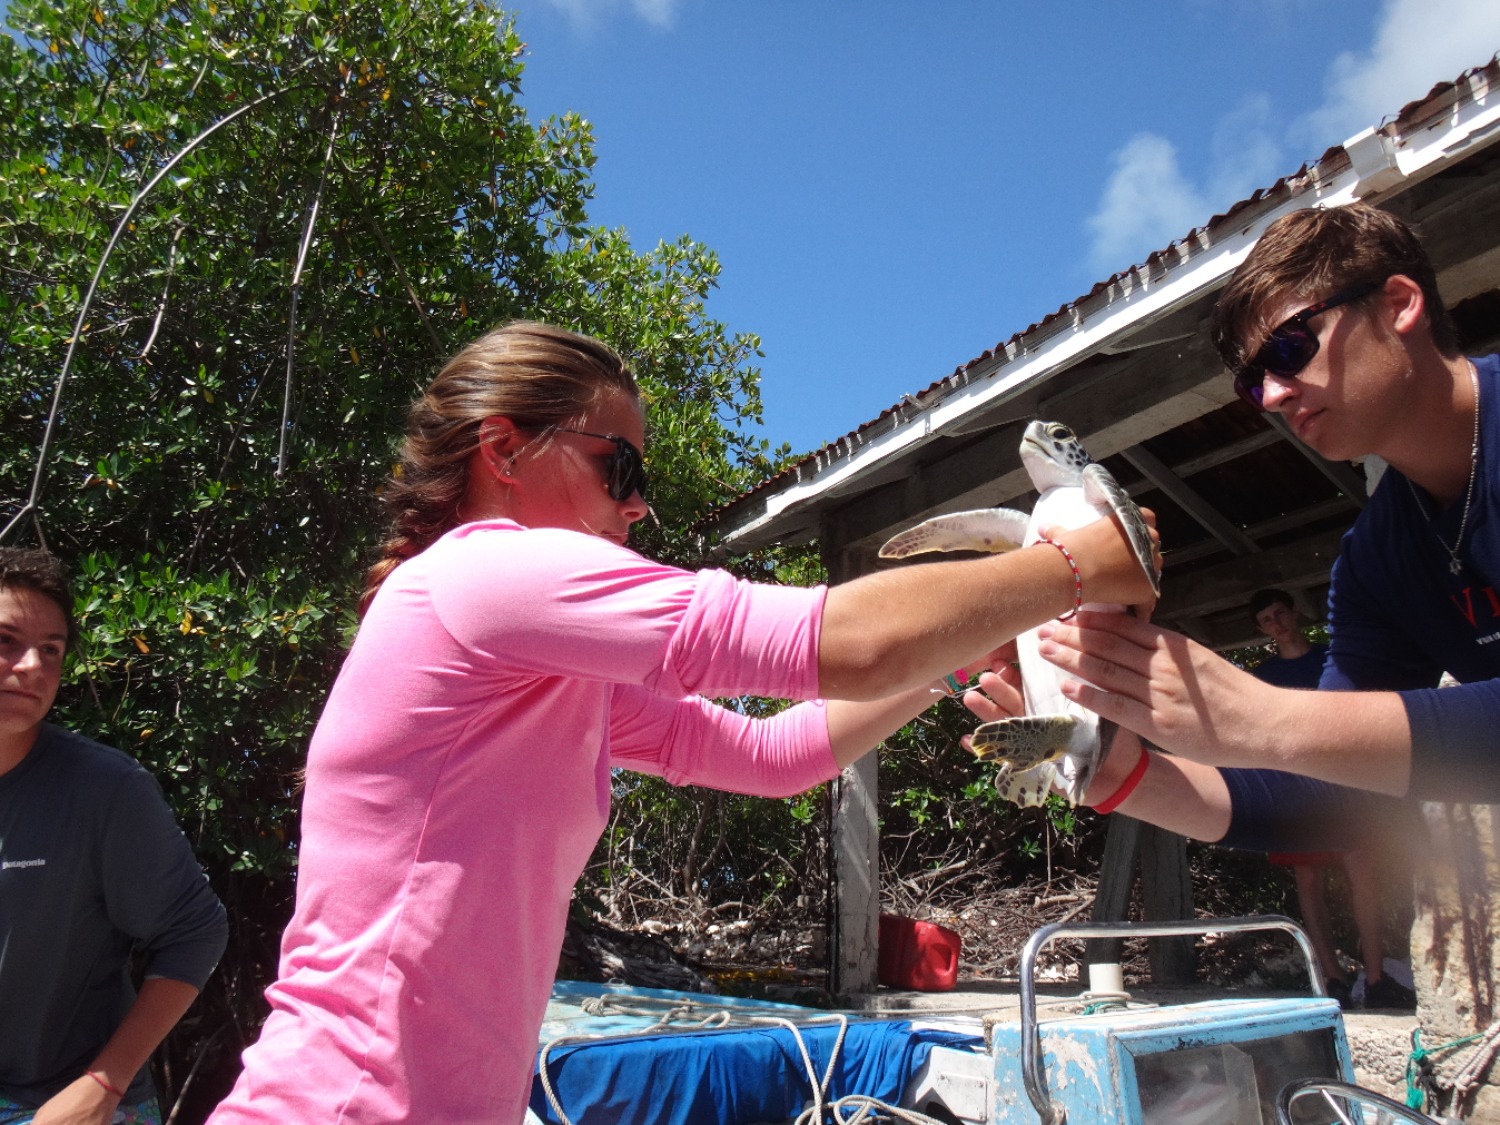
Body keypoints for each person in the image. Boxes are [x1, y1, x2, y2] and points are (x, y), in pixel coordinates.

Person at [205, 321, 1158, 1124]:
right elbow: (845, 641)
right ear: (502, 451)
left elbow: (769, 755)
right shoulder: (478, 576)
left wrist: (950, 659)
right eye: (615, 465)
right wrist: (1076, 565)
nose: (639, 502)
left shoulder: (533, 667)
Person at [969, 203, 1490, 959]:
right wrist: (1116, 770)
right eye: (1253, 381)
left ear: (1399, 303)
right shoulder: (1375, 559)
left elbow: (1302, 737)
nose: (1273, 394)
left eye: (1290, 347)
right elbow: (1343, 793)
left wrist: (1266, 719)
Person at [0, 547, 227, 1125]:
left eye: (51, 649)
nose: (31, 666)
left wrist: (103, 1084)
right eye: (6, 641)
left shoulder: (104, 790)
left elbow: (196, 930)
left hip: (64, 1103)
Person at [1245, 588, 1404, 1009]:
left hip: (1348, 776)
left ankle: (1376, 979)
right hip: (1297, 785)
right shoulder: (1263, 676)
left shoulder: (1331, 659)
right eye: (1267, 620)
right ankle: (1332, 978)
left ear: (1295, 613)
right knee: (1308, 878)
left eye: (1280, 613)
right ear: (1261, 629)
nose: (1277, 623)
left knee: (1363, 872)